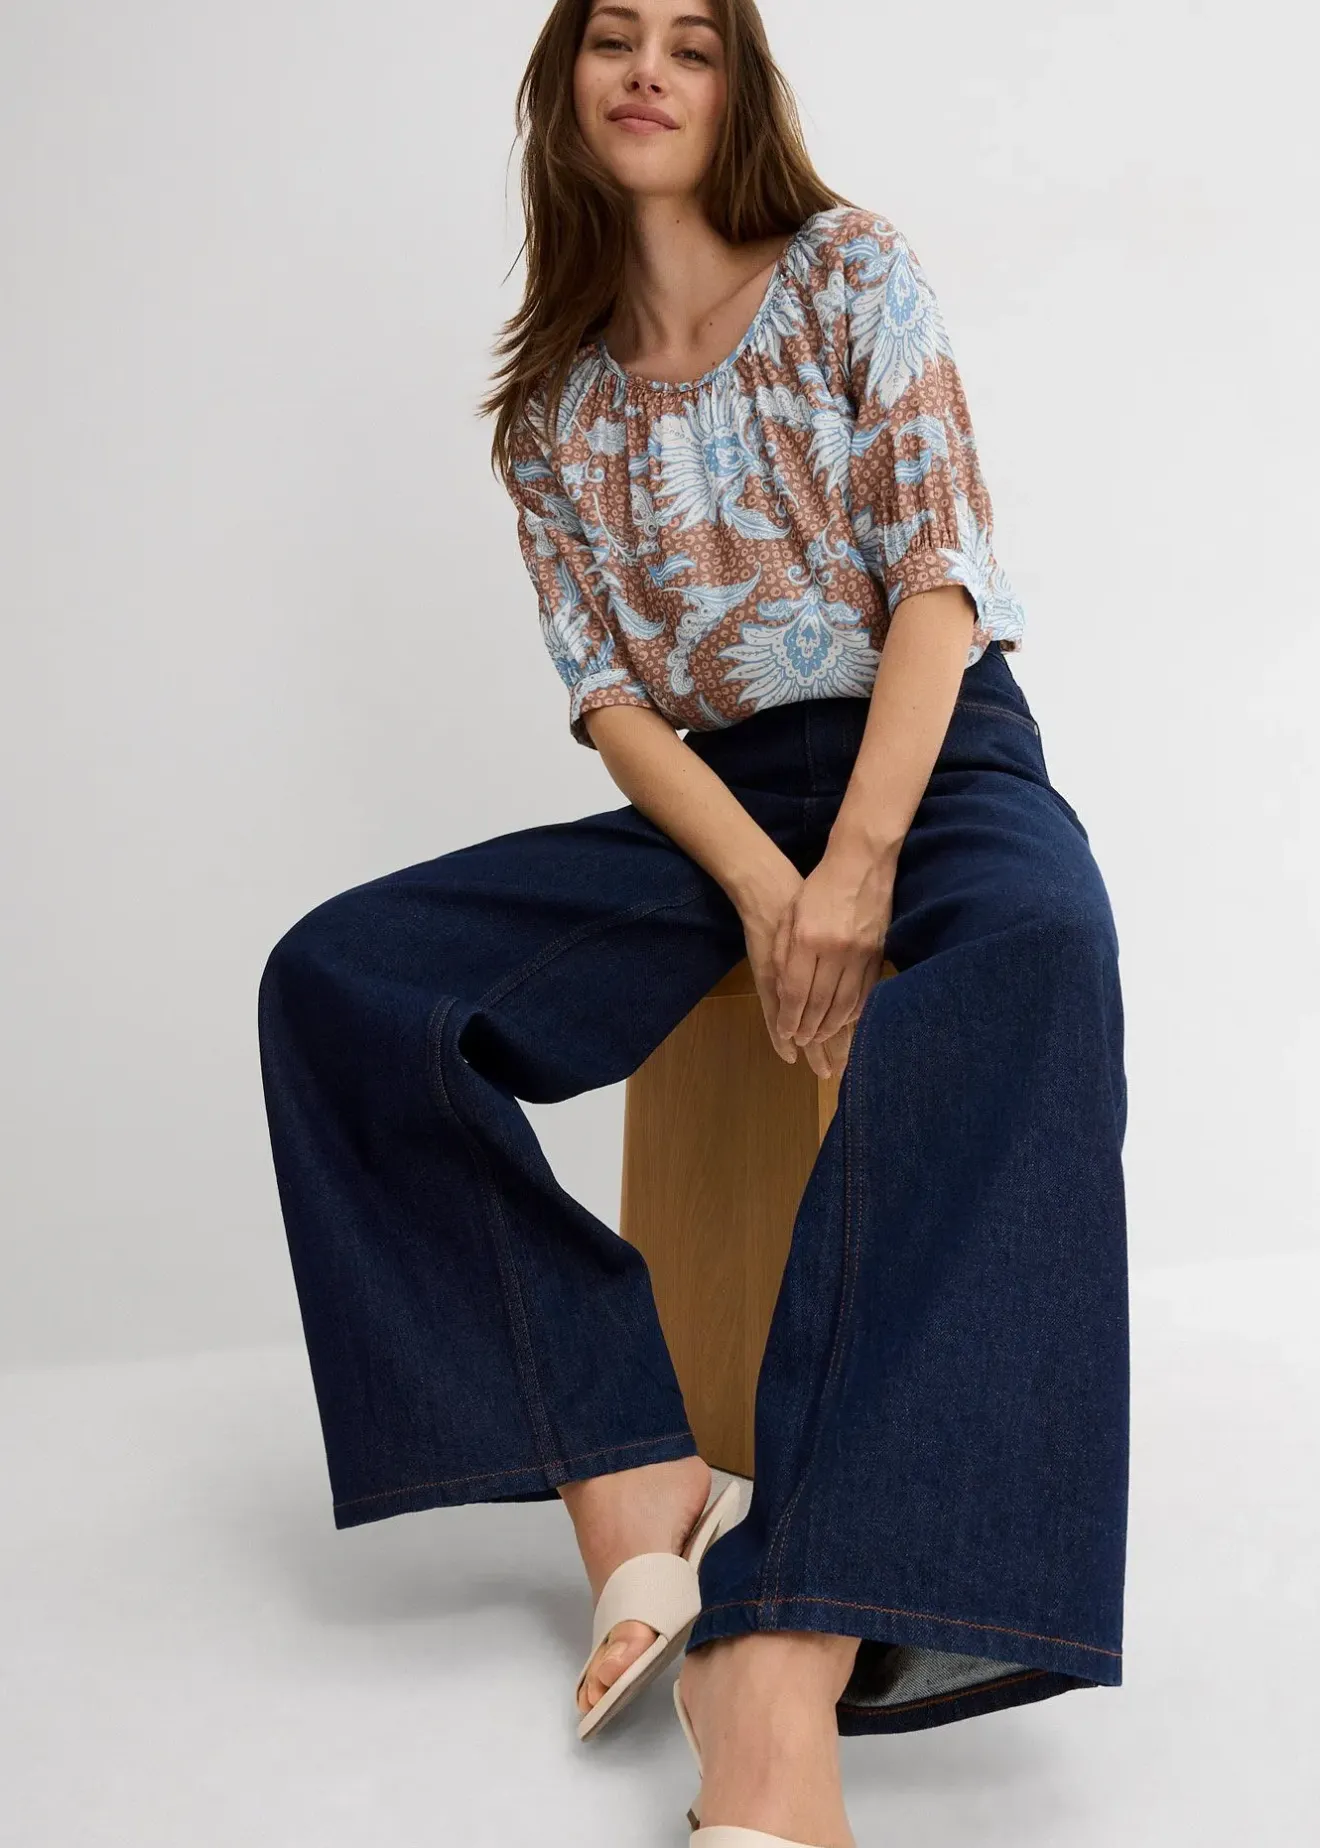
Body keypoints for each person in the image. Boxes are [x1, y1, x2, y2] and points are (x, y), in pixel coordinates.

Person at [257, 2, 1130, 1843]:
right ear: (564, 86)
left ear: (739, 87)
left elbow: (940, 577)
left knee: (1039, 962)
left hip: (934, 752)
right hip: (717, 803)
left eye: (691, 42)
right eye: (613, 38)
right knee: (346, 982)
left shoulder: (850, 271)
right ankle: (626, 1473)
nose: (648, 69)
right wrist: (761, 884)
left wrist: (862, 865)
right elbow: (613, 704)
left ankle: (786, 1648)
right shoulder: (550, 410)